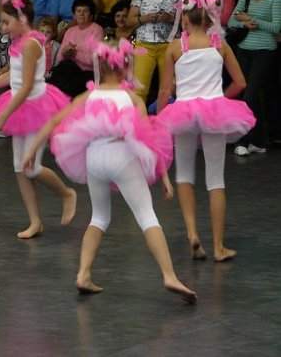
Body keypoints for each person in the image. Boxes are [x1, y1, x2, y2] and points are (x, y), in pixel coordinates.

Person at [27, 38, 196, 303]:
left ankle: (83, 273)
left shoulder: (88, 96)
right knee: (146, 215)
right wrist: (163, 175)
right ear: (125, 68)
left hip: (94, 158)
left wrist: (31, 151)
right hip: (122, 156)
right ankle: (169, 276)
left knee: (99, 217)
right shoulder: (132, 98)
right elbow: (149, 139)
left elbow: (53, 122)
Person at [0, 0, 76, 239]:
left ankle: (67, 194)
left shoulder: (32, 45)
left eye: (6, 22)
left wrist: (3, 116)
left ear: (22, 19)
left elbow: (25, 86)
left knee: (31, 168)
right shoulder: (18, 44)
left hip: (37, 107)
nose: (2, 28)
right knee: (19, 167)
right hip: (21, 106)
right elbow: (11, 77)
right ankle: (35, 221)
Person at [157, 0, 254, 263]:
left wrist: (160, 120)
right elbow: (240, 83)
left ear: (186, 20)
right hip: (214, 113)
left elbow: (165, 90)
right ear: (209, 19)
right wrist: (220, 99)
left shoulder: (175, 47)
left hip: (183, 113)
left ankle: (192, 234)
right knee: (215, 180)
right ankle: (219, 247)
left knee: (184, 174)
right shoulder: (219, 44)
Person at [227, 0, 281, 156]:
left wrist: (251, 20)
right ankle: (258, 140)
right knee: (248, 95)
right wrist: (244, 23)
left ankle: (244, 139)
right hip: (244, 49)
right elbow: (232, 20)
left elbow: (276, 26)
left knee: (250, 94)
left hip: (265, 51)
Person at [127, 0, 183, 101]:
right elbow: (130, 20)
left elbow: (184, 21)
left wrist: (169, 18)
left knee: (168, 90)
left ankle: (166, 117)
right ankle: (139, 116)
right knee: (139, 90)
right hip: (143, 45)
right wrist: (144, 18)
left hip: (169, 45)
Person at [49, 0, 104, 97]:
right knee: (61, 69)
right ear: (74, 15)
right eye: (78, 11)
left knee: (66, 78)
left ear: (91, 15)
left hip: (88, 73)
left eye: (85, 11)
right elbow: (59, 58)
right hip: (69, 69)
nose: (81, 14)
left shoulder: (97, 30)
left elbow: (94, 60)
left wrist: (75, 54)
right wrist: (65, 53)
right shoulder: (70, 31)